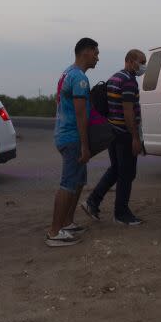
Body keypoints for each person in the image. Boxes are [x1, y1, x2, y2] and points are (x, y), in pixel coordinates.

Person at [81, 49, 147, 226]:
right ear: (131, 61)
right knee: (127, 173)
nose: (143, 66)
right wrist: (135, 138)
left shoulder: (114, 77)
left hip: (112, 132)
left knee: (116, 170)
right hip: (124, 134)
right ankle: (121, 213)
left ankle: (92, 201)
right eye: (142, 61)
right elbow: (128, 112)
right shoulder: (128, 81)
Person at [46, 37, 99, 247]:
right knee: (68, 184)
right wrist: (86, 146)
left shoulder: (67, 73)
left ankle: (66, 223)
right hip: (72, 137)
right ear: (85, 52)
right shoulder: (79, 78)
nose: (97, 57)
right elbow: (80, 115)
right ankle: (54, 232)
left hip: (64, 134)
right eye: (95, 52)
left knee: (77, 182)